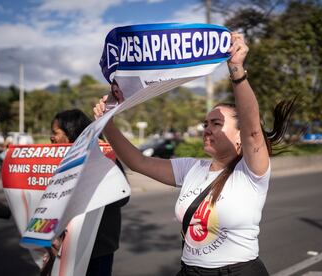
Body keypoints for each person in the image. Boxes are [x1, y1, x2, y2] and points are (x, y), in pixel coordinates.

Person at [93, 33, 296, 275]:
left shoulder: (251, 172)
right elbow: (137, 162)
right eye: (206, 123)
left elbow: (253, 132)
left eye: (216, 123)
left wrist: (236, 70)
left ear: (240, 137)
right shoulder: (191, 168)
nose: (207, 128)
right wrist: (107, 123)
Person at [49, 109, 129, 276]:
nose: (52, 138)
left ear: (71, 132)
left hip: (96, 247)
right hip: (65, 246)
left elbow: (122, 197)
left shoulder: (104, 154)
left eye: (55, 133)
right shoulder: (59, 159)